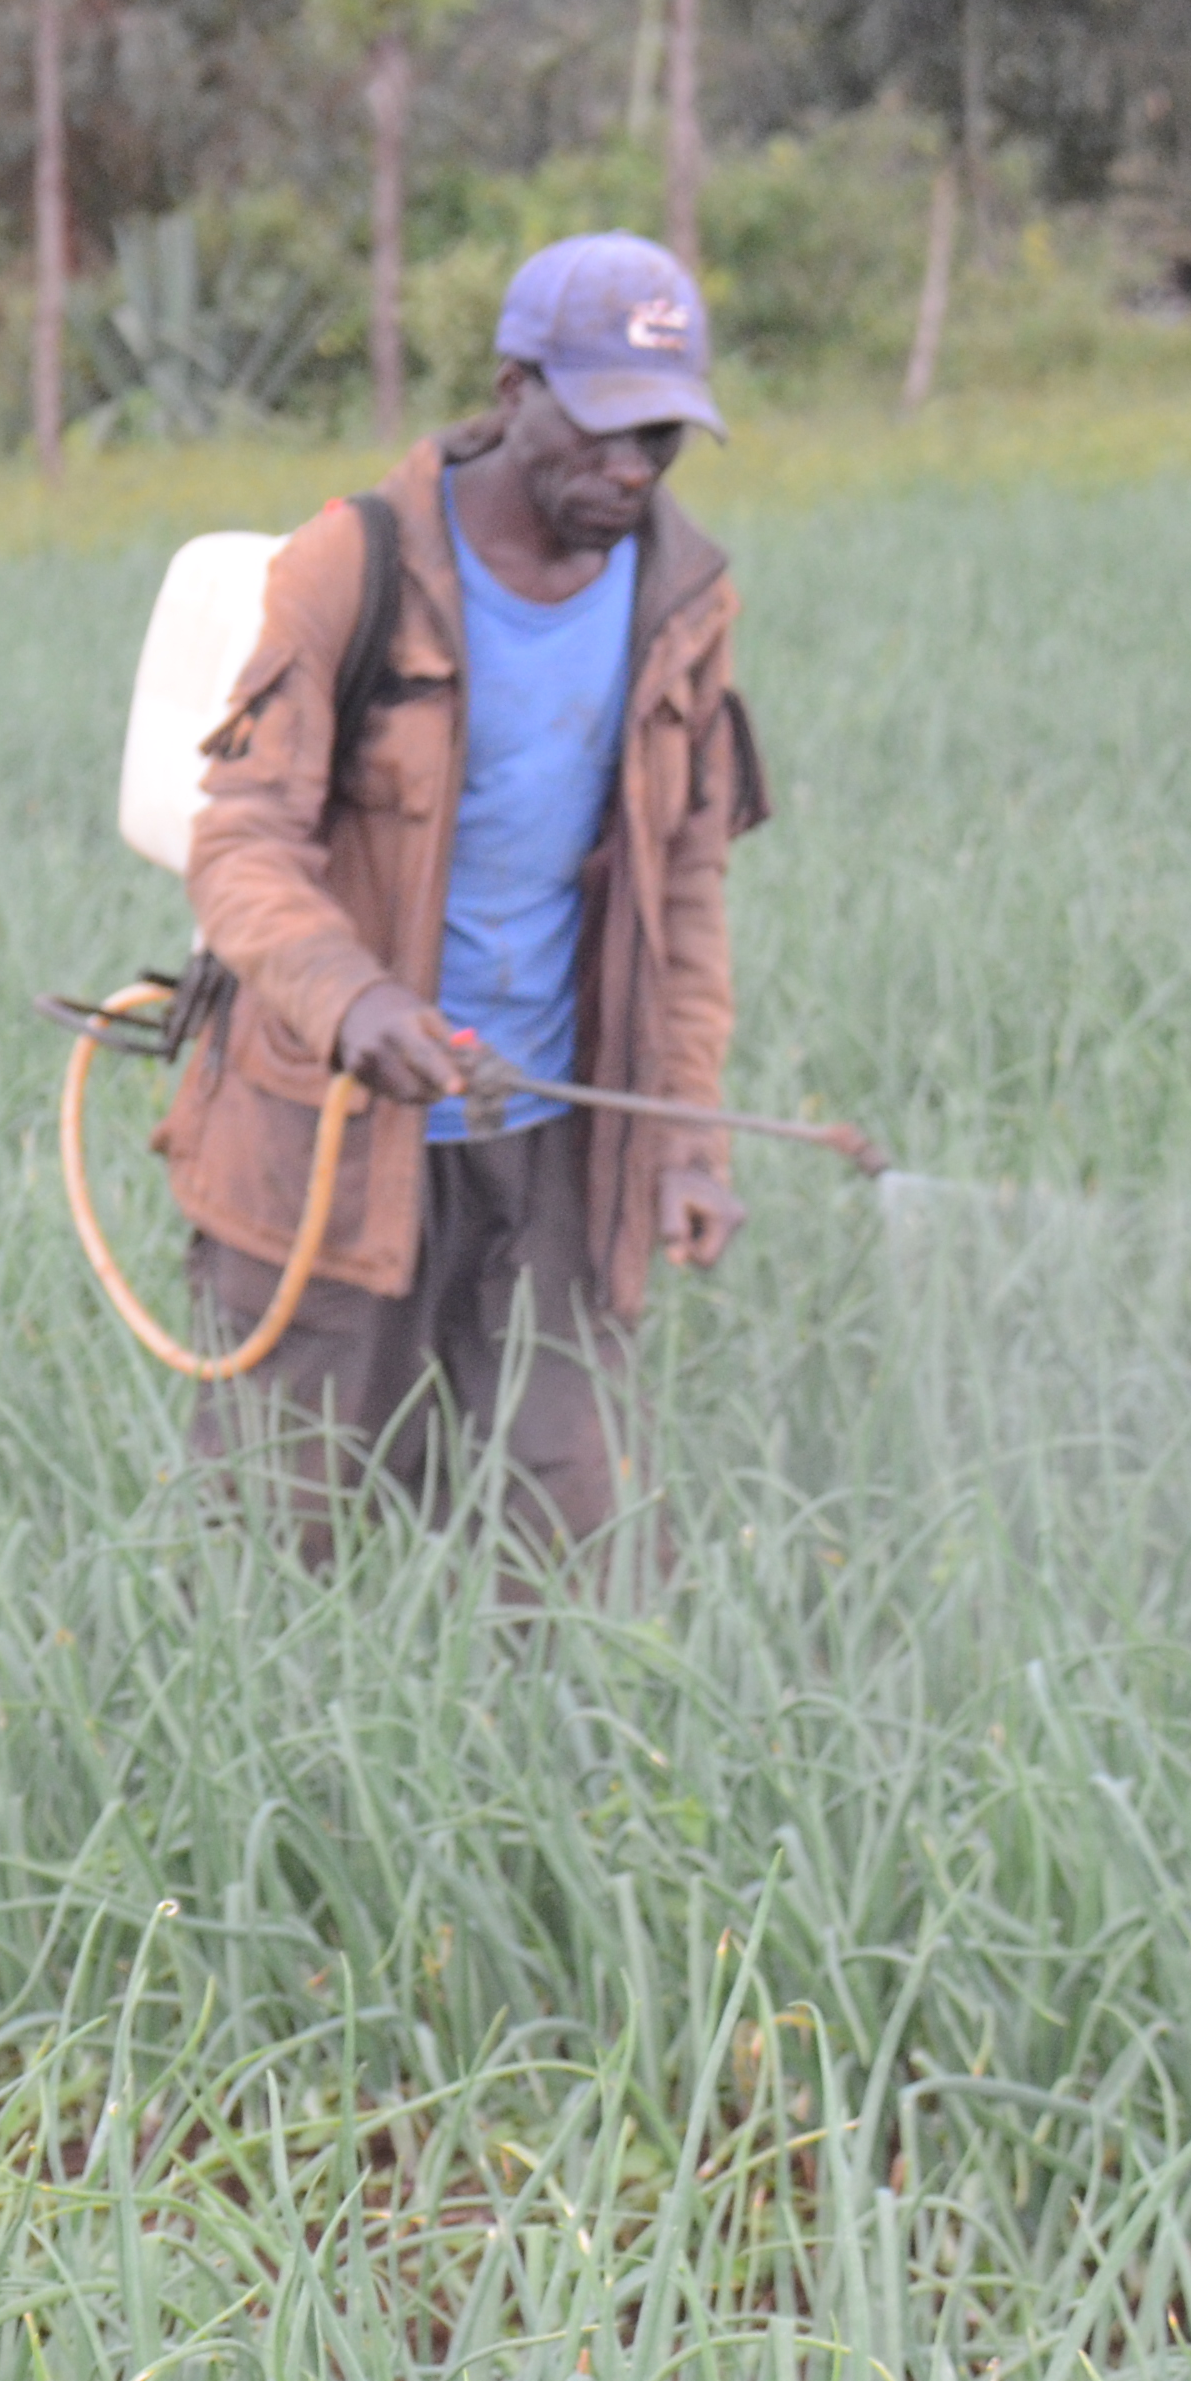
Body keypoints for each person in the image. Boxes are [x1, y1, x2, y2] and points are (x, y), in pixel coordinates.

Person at [163, 229, 768, 1577]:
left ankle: (551, 1785)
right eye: (603, 429)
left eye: (662, 438)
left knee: (576, 1537)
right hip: (331, 1130)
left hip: (552, 1132)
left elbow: (684, 889)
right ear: (512, 389)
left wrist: (685, 1142)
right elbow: (242, 844)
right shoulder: (353, 567)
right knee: (283, 1531)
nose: (628, 468)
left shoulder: (681, 602)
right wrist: (353, 997)